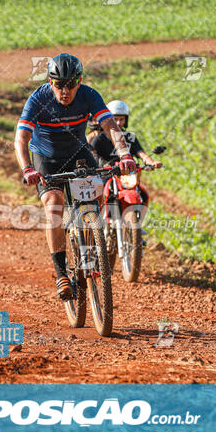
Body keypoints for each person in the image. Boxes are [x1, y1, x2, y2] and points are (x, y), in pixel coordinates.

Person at [14, 53, 136, 300]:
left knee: (99, 189)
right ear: (50, 82)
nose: (65, 90)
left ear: (79, 81)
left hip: (78, 151)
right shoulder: (38, 99)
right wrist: (27, 168)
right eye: (59, 84)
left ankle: (92, 239)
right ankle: (61, 273)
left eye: (71, 84)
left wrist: (124, 154)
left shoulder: (89, 95)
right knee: (55, 205)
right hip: (46, 158)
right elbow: (21, 138)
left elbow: (111, 126)